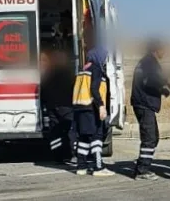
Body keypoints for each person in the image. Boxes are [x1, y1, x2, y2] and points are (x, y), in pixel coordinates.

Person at [71, 45, 114, 177]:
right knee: (96, 137)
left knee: (83, 138)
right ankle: (98, 167)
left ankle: (81, 166)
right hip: (91, 108)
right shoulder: (96, 69)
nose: (105, 59)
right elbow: (94, 89)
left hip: (79, 108)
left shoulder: (82, 70)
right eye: (104, 56)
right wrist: (101, 106)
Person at [130, 38, 170, 180]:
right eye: (163, 48)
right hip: (144, 104)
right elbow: (151, 81)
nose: (165, 52)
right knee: (150, 138)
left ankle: (143, 165)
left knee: (153, 137)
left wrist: (162, 90)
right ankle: (142, 170)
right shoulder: (149, 63)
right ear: (156, 49)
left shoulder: (147, 62)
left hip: (143, 103)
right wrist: (165, 83)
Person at [39, 47, 76, 163]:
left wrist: (45, 104)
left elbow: (43, 90)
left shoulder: (47, 73)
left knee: (55, 131)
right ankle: (71, 154)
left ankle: (57, 156)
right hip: (66, 106)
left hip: (51, 106)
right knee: (70, 130)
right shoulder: (68, 74)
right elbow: (73, 89)